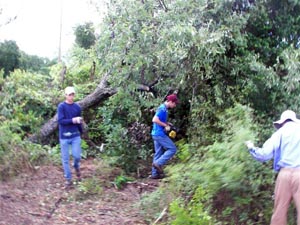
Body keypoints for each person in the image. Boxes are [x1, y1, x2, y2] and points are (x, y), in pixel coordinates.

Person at [245, 110, 300, 225]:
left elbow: (264, 155)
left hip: (284, 175)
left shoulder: (279, 133)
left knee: (279, 212)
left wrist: (251, 147)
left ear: (282, 122)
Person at [57, 86, 83, 188]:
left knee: (77, 156)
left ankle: (76, 167)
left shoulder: (77, 107)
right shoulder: (61, 107)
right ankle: (68, 179)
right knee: (65, 159)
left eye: (72, 94)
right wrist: (73, 120)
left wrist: (82, 132)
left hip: (75, 136)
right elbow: (60, 121)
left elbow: (79, 122)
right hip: (64, 136)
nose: (71, 97)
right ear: (65, 95)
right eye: (69, 95)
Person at [151, 94, 179, 179]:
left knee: (158, 153)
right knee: (172, 149)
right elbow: (155, 119)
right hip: (159, 134)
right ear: (170, 102)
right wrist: (165, 125)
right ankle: (158, 163)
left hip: (155, 133)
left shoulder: (164, 109)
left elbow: (159, 120)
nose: (175, 105)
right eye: (174, 103)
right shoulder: (162, 109)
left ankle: (154, 174)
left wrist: (167, 124)